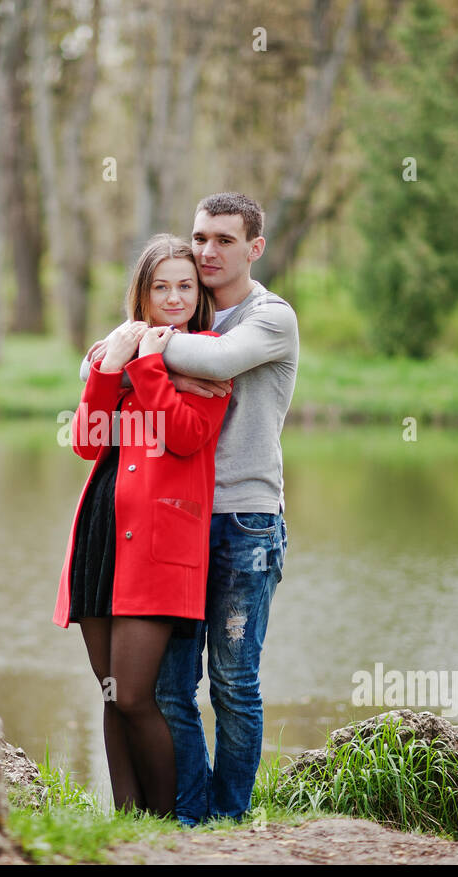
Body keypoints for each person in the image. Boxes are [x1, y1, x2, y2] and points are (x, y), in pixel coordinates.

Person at [80, 193, 298, 825]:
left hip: (244, 519)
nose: (207, 251)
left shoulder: (269, 317)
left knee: (233, 684)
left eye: (224, 240)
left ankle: (229, 818)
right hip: (176, 524)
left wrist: (138, 350)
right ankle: (186, 816)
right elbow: (98, 366)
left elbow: (219, 362)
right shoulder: (186, 318)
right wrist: (128, 354)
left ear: (254, 248)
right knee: (168, 689)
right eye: (201, 237)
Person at [53, 234, 232, 817]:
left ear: (199, 293)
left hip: (157, 546)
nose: (175, 296)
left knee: (134, 694)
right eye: (162, 287)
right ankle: (128, 823)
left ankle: (167, 822)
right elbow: (85, 441)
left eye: (186, 285)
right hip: (102, 534)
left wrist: (150, 366)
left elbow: (185, 436)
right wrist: (110, 369)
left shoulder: (208, 355)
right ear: (144, 295)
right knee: (109, 696)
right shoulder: (121, 351)